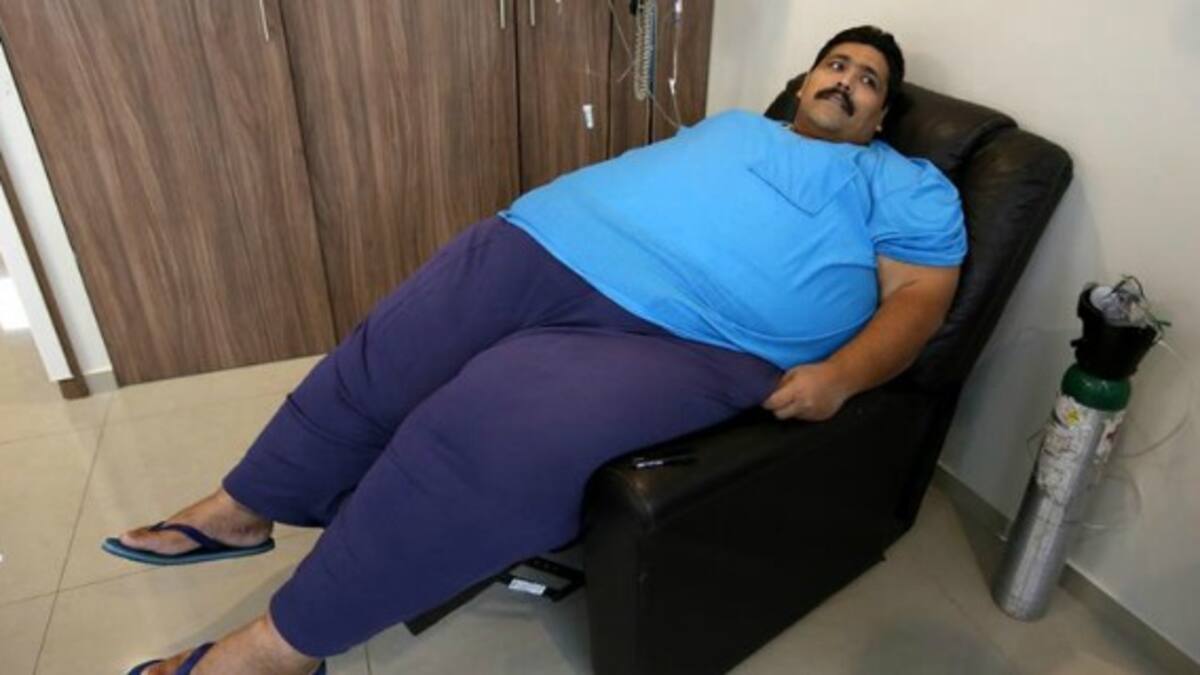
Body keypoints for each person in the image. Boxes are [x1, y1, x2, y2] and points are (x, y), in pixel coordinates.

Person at [113, 25, 964, 675]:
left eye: (868, 81)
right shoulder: (739, 126)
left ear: (882, 116)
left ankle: (279, 648)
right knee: (391, 352)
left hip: (695, 335)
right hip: (547, 241)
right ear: (805, 82)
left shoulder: (903, 185)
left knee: (482, 430)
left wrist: (841, 375)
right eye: (836, 65)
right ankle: (245, 505)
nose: (846, 81)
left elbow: (919, 301)